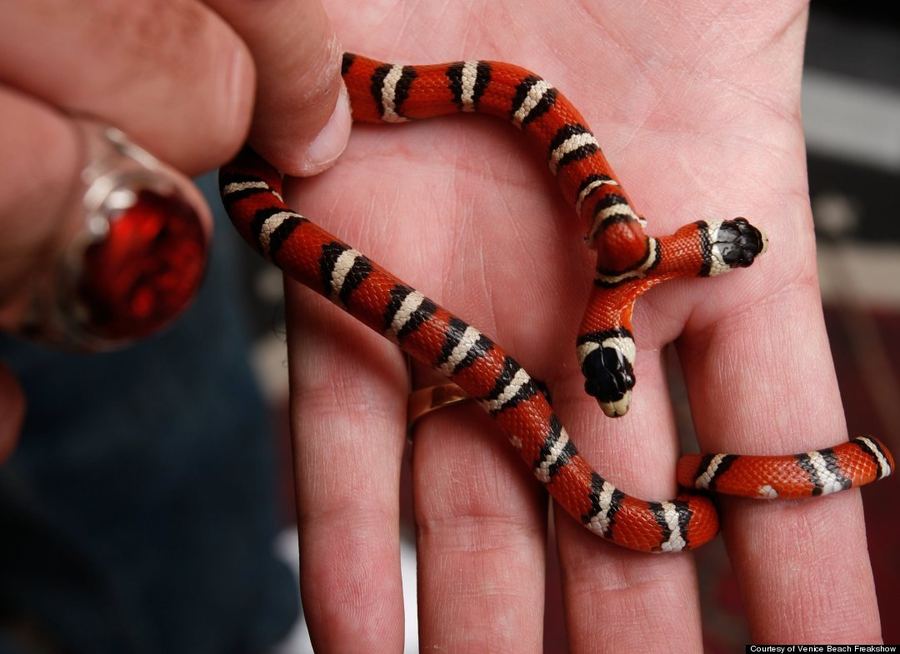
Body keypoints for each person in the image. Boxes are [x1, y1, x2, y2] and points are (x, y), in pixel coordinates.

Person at [0, 0, 886, 651]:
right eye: (609, 374)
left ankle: (219, 613)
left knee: (135, 366)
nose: (610, 401)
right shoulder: (624, 256)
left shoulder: (626, 257)